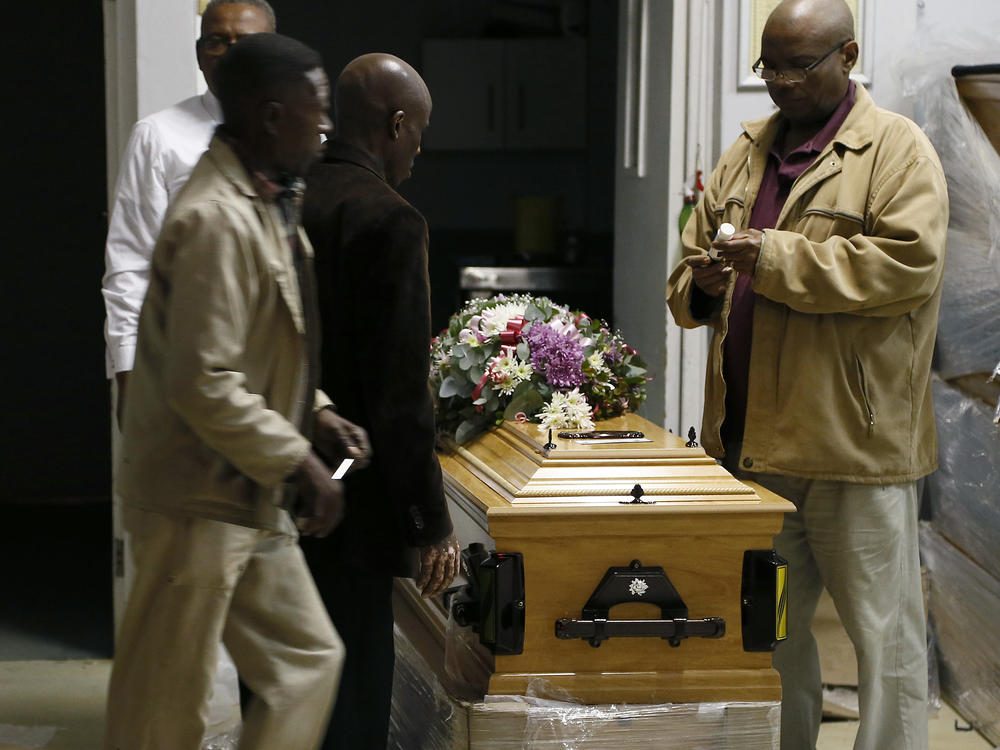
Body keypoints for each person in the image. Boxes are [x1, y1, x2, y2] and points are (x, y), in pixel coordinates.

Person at [666, 1, 947, 749]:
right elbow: (688, 268)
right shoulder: (746, 150)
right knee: (769, 638)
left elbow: (907, 268)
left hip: (853, 453)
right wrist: (705, 284)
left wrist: (775, 257)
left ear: (848, 55)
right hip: (750, 448)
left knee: (884, 644)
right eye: (770, 66)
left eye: (800, 65)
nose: (780, 83)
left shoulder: (897, 150)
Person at [103, 33, 362, 750]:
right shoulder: (215, 217)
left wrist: (319, 413)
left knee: (307, 661)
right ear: (271, 115)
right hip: (194, 496)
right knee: (164, 711)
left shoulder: (267, 199)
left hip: (245, 485)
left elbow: (258, 344)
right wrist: (299, 461)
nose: (326, 126)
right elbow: (205, 379)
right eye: (316, 109)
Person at [300, 53, 460, 750]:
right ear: (396, 124)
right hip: (355, 499)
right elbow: (399, 394)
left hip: (284, 479)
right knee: (357, 690)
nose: (419, 150)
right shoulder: (390, 219)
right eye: (419, 132)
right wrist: (430, 521)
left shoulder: (288, 193)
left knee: (295, 687)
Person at [102, 0, 277, 417]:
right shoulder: (159, 137)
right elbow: (130, 264)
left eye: (246, 42)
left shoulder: (303, 138)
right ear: (200, 55)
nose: (231, 53)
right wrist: (128, 375)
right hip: (189, 364)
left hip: (281, 364)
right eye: (218, 41)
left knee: (316, 473)